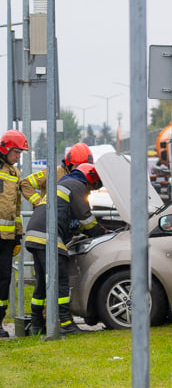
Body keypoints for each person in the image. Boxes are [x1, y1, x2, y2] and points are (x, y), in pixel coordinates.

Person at [25, 163, 107, 335]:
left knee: (41, 284)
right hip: (48, 236)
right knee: (61, 280)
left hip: (34, 235)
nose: (91, 190)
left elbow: (68, 217)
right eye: (94, 185)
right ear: (90, 179)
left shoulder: (65, 183)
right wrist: (101, 232)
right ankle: (66, 324)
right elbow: (86, 219)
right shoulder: (78, 186)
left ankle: (36, 325)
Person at [0, 130, 27, 337]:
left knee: (4, 280)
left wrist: (18, 235)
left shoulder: (15, 174)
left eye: (20, 153)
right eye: (16, 152)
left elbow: (16, 209)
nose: (18, 156)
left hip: (7, 240)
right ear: (5, 148)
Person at [19, 142, 93, 207]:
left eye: (84, 167)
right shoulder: (53, 173)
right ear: (69, 164)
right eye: (78, 166)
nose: (81, 170)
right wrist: (40, 204)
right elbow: (26, 183)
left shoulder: (84, 178)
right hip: (53, 218)